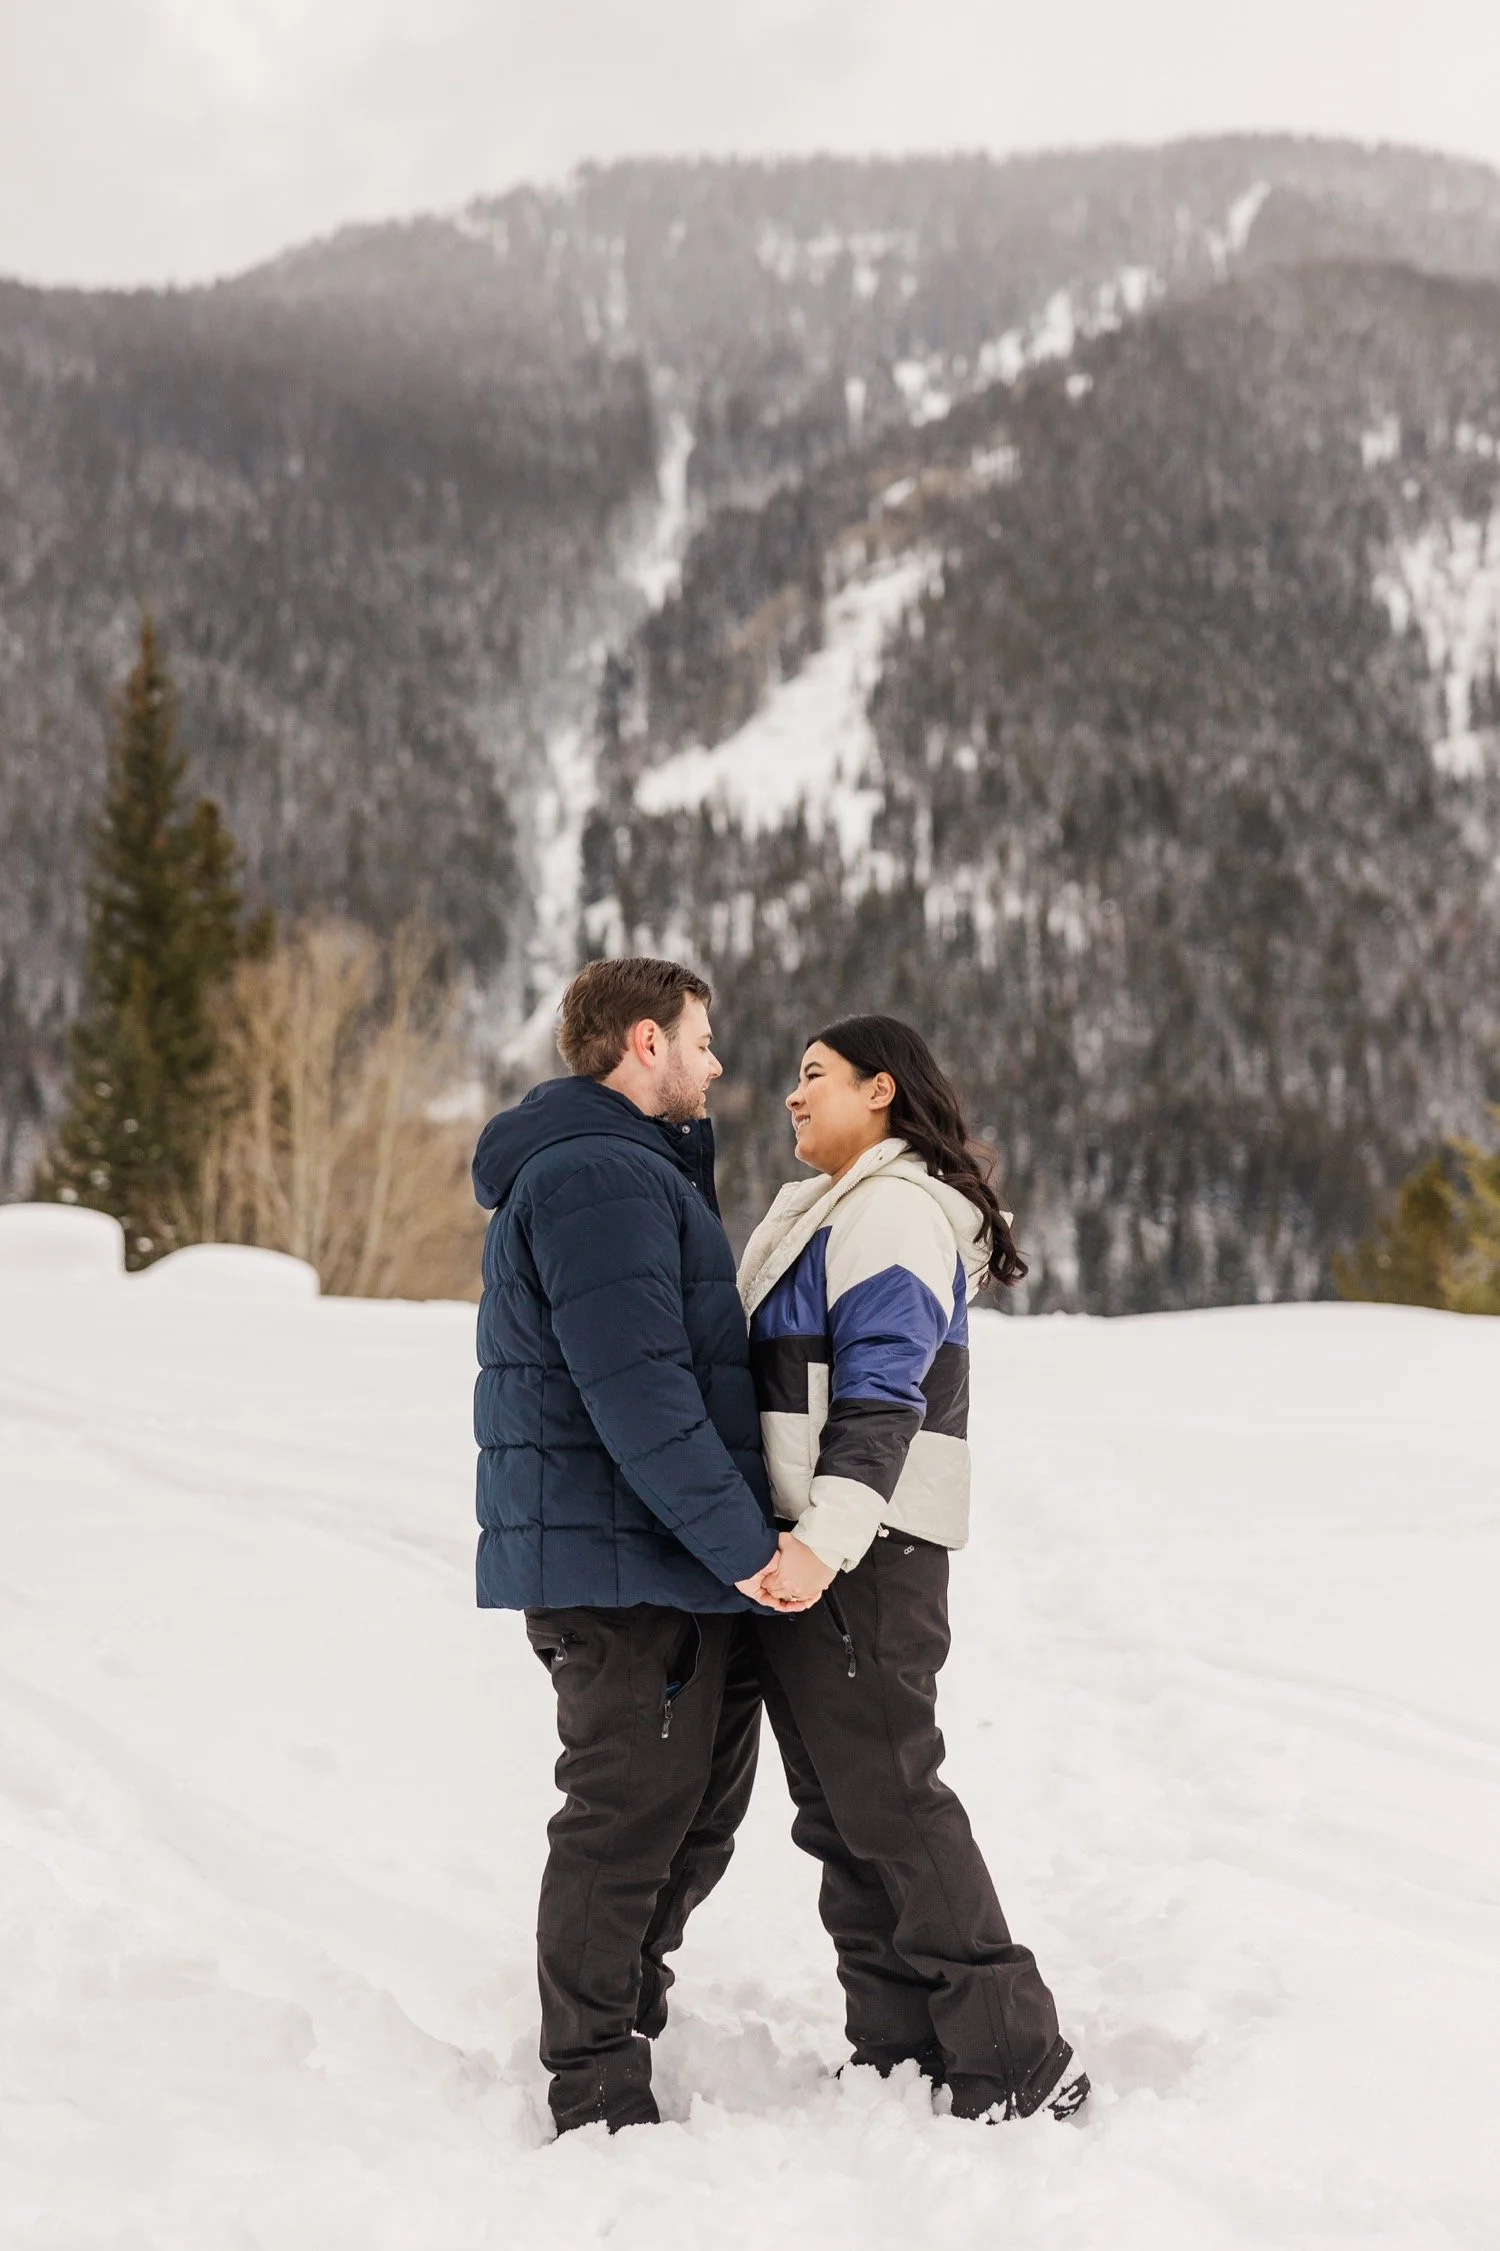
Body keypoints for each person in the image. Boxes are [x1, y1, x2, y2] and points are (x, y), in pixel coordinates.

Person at [738, 1015, 1090, 2124]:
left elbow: (882, 1392)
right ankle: (901, 2047)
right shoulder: (836, 1207)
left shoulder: (889, 1209)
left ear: (880, 1089)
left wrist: (820, 1541)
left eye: (814, 1077)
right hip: (830, 1543)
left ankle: (1021, 2057)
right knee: (845, 1811)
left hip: (862, 1550)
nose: (790, 1097)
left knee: (890, 1799)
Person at [472, 957, 789, 2138]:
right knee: (626, 1818)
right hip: (622, 1566)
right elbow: (640, 1390)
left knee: (695, 1809)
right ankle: (595, 2082)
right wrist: (746, 1547)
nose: (716, 1062)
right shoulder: (601, 1173)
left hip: (652, 1558)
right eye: (702, 1039)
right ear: (643, 1042)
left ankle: (628, 2017)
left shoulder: (628, 1169)